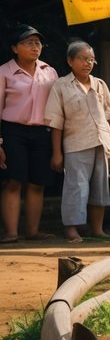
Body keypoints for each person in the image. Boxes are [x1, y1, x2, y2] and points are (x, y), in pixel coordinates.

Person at [45, 41, 110, 242]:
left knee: (100, 187)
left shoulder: (100, 84)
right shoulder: (61, 86)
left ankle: (97, 229)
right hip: (75, 143)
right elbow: (56, 122)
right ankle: (71, 229)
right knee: (76, 187)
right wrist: (57, 153)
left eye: (91, 59)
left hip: (101, 142)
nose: (88, 63)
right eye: (83, 59)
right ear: (70, 61)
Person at [0, 25, 58, 241]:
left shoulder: (49, 71)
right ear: (15, 48)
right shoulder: (4, 72)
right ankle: (11, 233)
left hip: (42, 132)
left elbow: (57, 107)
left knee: (37, 182)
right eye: (29, 42)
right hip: (12, 131)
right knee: (13, 181)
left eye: (38, 42)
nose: (35, 47)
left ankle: (33, 231)